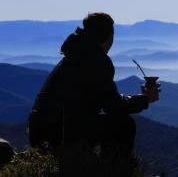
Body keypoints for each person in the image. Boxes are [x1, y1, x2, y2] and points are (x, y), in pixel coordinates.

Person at [28, 12, 160, 155]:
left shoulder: (73, 55)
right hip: (62, 130)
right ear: (109, 37)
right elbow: (113, 106)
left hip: (39, 129)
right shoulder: (96, 59)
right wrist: (145, 99)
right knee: (124, 125)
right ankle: (114, 171)